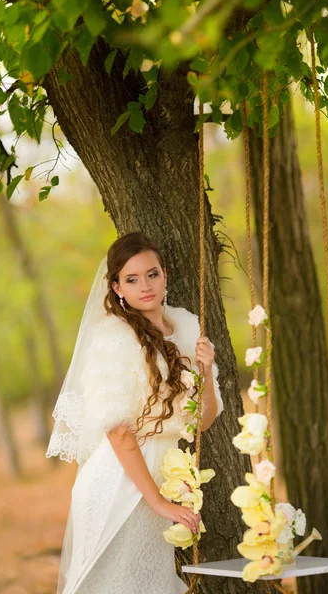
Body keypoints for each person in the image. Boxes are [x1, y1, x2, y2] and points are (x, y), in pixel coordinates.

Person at [46, 232, 224, 594]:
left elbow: (203, 421)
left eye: (152, 274)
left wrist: (205, 370)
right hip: (119, 481)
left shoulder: (187, 327)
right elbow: (117, 431)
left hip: (165, 476)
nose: (145, 285)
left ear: (165, 276)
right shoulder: (114, 337)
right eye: (132, 279)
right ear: (116, 287)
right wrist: (157, 502)